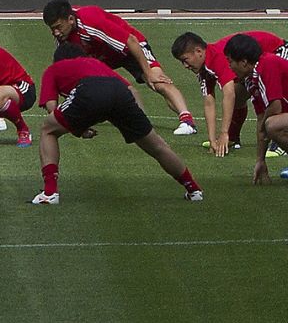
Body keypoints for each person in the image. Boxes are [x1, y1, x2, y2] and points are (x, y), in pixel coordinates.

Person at [31, 43, 203, 206]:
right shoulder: (94, 63)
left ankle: (50, 192)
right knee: (156, 145)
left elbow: (51, 107)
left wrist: (76, 126)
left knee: (48, 129)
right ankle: (193, 189)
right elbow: (131, 90)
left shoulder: (54, 69)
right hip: (120, 93)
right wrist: (141, 123)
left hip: (88, 90)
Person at [42, 0, 196, 136]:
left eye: (58, 27)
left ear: (70, 19)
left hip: (130, 48)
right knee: (82, 82)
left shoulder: (90, 20)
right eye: (52, 29)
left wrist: (148, 72)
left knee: (157, 82)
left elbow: (131, 41)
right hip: (101, 57)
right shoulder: (63, 38)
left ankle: (187, 121)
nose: (55, 33)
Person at [172, 30, 288, 157]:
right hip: (253, 64)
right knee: (240, 96)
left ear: (199, 52)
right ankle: (233, 138)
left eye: (185, 60)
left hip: (280, 51)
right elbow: (209, 102)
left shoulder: (217, 57)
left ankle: (283, 140)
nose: (185, 66)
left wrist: (223, 133)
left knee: (272, 96)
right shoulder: (204, 68)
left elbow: (229, 94)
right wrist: (212, 140)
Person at [222, 34, 288, 195]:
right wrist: (260, 160)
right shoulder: (251, 79)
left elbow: (274, 107)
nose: (229, 67)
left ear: (244, 62)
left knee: (274, 125)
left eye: (230, 61)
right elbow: (262, 116)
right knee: (270, 125)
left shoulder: (268, 63)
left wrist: (263, 129)